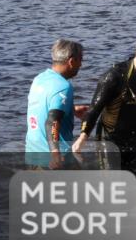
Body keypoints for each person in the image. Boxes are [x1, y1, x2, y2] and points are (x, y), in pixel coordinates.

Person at [72, 29, 136, 169]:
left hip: (134, 136)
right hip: (109, 138)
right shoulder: (115, 76)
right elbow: (94, 109)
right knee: (112, 179)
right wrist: (83, 137)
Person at [25, 39, 89, 168]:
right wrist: (55, 154)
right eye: (80, 60)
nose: (81, 65)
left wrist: (71, 110)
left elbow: (43, 107)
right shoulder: (63, 86)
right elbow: (52, 122)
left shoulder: (39, 79)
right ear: (71, 61)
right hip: (53, 160)